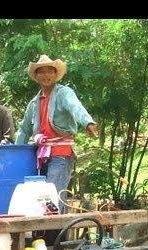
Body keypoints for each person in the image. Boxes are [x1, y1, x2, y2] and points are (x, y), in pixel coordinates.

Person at [15, 55, 98, 211]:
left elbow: (75, 107)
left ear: (55, 74)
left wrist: (87, 122)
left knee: (54, 193)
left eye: (50, 71)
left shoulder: (63, 93)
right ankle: (54, 234)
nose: (46, 75)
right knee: (44, 196)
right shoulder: (34, 102)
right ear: (37, 76)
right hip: (42, 155)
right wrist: (14, 153)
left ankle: (58, 234)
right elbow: (24, 129)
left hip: (61, 151)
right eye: (42, 72)